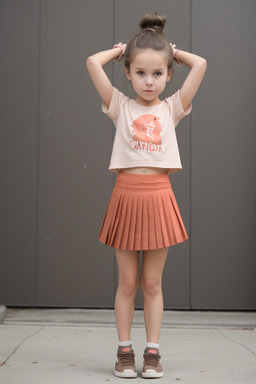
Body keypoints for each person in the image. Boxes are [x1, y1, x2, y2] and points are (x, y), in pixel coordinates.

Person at [86, 12, 206, 379]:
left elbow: (200, 64)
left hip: (158, 198)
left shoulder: (172, 108)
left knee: (152, 283)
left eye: (158, 73)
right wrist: (120, 50)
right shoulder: (120, 106)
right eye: (140, 72)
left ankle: (152, 352)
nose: (149, 81)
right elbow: (92, 62)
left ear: (169, 76)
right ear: (127, 73)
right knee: (127, 282)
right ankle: (124, 351)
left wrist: (173, 52)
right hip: (126, 196)